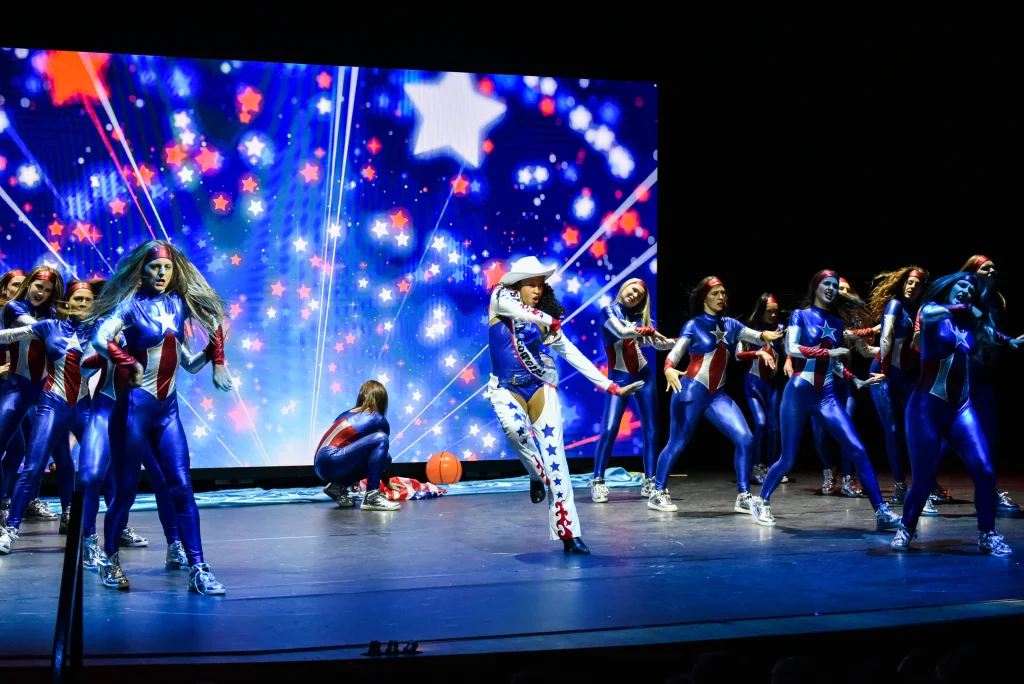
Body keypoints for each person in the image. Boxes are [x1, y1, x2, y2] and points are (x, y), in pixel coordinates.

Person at [89, 240, 233, 594]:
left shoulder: (177, 304)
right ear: (142, 270)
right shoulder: (129, 306)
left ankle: (198, 568)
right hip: (133, 411)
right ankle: (110, 558)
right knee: (125, 492)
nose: (162, 273)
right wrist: (128, 362)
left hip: (167, 412)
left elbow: (193, 355)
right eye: (155, 267)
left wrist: (216, 359)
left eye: (167, 268)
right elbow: (99, 338)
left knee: (181, 486)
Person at [487, 256, 642, 554]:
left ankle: (570, 535)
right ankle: (536, 476)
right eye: (531, 284)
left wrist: (609, 385)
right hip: (506, 388)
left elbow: (572, 354)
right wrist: (549, 320)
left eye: (540, 285)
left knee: (557, 461)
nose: (537, 290)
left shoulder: (542, 320)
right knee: (516, 431)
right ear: (517, 284)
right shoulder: (500, 299)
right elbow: (516, 310)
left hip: (540, 387)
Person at [750, 270, 900, 530]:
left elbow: (835, 365)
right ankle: (761, 500)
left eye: (834, 284)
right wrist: (829, 352)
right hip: (799, 391)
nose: (831, 288)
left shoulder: (837, 323)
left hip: (826, 395)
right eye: (826, 284)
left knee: (858, 450)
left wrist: (856, 380)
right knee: (788, 458)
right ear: (816, 287)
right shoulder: (800, 315)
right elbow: (792, 348)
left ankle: (881, 512)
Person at [78, 279, 207, 572]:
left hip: (143, 412)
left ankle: (175, 545)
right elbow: (85, 366)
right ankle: (89, 541)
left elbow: (186, 361)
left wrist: (214, 350)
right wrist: (113, 351)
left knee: (165, 480)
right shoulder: (109, 324)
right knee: (91, 477)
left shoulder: (157, 321)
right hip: (107, 410)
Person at [891, 272, 1015, 555]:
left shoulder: (969, 324)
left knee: (985, 470)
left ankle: (988, 534)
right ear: (949, 287)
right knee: (923, 481)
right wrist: (965, 307)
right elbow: (929, 313)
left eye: (972, 289)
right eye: (962, 285)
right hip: (926, 407)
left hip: (961, 409)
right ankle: (906, 527)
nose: (967, 291)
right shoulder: (932, 311)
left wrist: (1011, 342)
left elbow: (990, 333)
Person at [654, 276, 783, 515]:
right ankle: (658, 491)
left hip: (717, 395)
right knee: (677, 442)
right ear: (705, 297)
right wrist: (668, 368)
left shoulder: (731, 325)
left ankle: (743, 496)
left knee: (745, 438)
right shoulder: (694, 324)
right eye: (715, 293)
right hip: (691, 389)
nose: (721, 297)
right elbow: (676, 352)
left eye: (723, 293)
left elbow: (754, 335)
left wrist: (766, 336)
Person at [0, 279, 96, 550]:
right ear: (67, 302)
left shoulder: (98, 328)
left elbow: (125, 342)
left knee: (97, 469)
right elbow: (8, 336)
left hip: (82, 406)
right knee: (32, 466)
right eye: (77, 299)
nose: (82, 304)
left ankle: (97, 531)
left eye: (88, 300)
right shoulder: (49, 325)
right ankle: (10, 528)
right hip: (49, 402)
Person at [591, 278, 674, 503]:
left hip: (644, 376)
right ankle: (598, 481)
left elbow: (660, 344)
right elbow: (621, 332)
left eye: (640, 295)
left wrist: (684, 341)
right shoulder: (608, 311)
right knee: (610, 428)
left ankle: (650, 480)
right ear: (624, 288)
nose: (635, 295)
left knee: (651, 430)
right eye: (633, 290)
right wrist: (645, 330)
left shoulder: (639, 318)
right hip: (619, 379)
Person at [866, 266, 941, 514]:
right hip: (883, 373)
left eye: (917, 284)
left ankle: (923, 487)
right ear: (902, 284)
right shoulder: (895, 305)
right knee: (893, 430)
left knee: (918, 430)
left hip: (907, 376)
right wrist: (885, 370)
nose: (912, 287)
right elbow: (886, 336)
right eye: (909, 282)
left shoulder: (921, 310)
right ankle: (900, 487)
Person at [0, 266, 66, 533]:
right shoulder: (13, 308)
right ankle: (2, 507)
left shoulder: (54, 314)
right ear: (29, 285)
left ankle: (69, 514)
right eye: (38, 287)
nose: (41, 293)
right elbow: (39, 329)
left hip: (46, 393)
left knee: (60, 453)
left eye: (48, 290)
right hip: (17, 389)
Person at [316, 380, 399, 512]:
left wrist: (352, 478)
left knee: (385, 456)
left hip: (321, 464)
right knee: (381, 439)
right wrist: (386, 482)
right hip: (333, 459)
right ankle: (372, 497)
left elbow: (353, 449)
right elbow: (381, 454)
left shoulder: (345, 414)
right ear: (382, 400)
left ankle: (336, 487)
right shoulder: (378, 419)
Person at [736, 293, 786, 485]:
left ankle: (773, 468)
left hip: (772, 385)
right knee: (761, 423)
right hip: (753, 383)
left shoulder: (781, 330)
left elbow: (790, 350)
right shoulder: (750, 330)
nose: (773, 315)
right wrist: (758, 352)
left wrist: (789, 360)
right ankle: (756, 466)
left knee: (775, 428)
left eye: (775, 312)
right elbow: (738, 354)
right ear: (760, 311)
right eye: (768, 312)